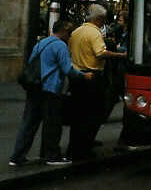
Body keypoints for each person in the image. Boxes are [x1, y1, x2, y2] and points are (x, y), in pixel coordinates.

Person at [9, 19, 93, 166]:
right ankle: (52, 156)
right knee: (53, 124)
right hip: (50, 89)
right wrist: (84, 75)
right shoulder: (60, 46)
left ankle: (17, 156)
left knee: (29, 123)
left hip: (35, 87)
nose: (71, 35)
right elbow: (68, 69)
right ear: (64, 31)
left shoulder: (41, 43)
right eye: (70, 32)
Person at [67, 4, 126, 161]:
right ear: (99, 19)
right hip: (92, 77)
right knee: (92, 114)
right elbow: (100, 53)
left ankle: (73, 147)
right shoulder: (94, 33)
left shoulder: (77, 31)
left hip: (76, 76)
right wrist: (119, 55)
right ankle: (84, 148)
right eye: (104, 20)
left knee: (78, 115)